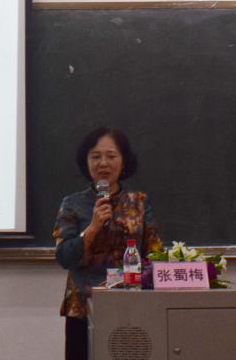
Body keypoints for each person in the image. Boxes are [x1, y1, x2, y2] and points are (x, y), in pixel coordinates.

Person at [52, 127, 161, 360]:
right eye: (95, 156)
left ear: (123, 161)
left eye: (111, 156)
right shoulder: (72, 204)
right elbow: (64, 257)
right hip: (83, 308)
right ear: (86, 161)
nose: (103, 163)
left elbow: (155, 255)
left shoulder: (139, 203)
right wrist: (92, 228)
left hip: (132, 306)